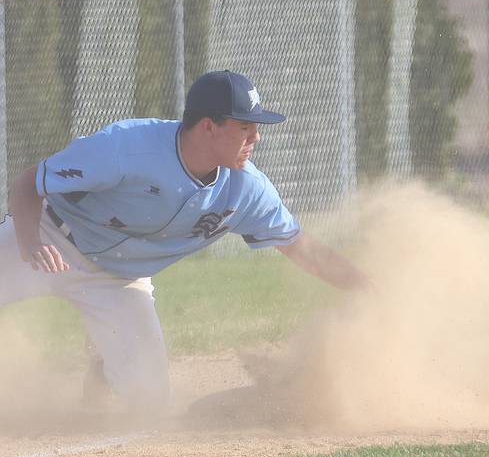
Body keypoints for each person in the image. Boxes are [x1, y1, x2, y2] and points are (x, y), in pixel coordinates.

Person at [2, 70, 368, 412]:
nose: (256, 138)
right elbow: (29, 183)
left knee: (151, 406)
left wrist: (370, 288)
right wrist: (29, 241)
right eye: (245, 127)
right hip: (51, 237)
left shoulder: (247, 191)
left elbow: (301, 247)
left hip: (118, 282)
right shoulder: (126, 147)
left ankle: (103, 362)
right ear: (209, 127)